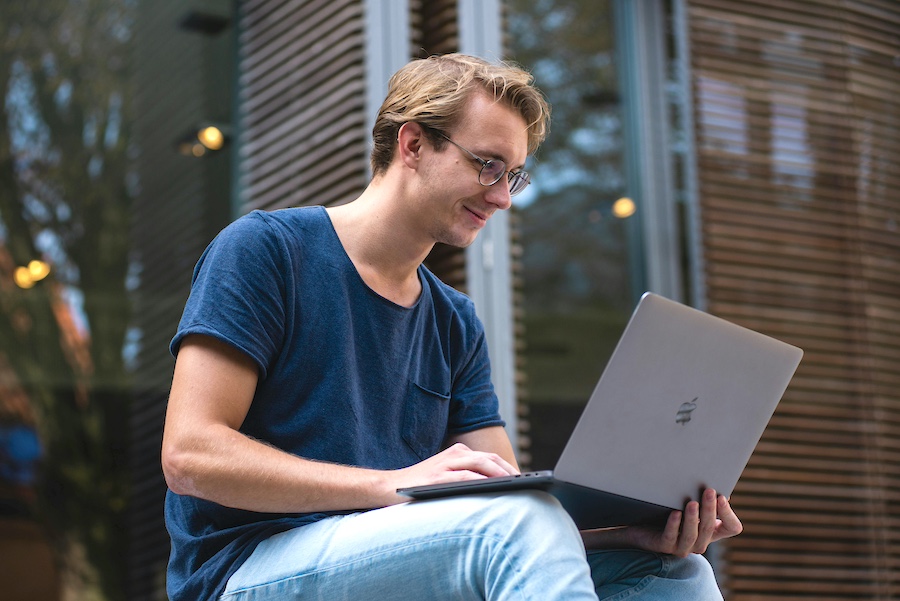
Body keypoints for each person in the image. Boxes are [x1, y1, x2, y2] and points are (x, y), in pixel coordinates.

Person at [161, 53, 742, 601]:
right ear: (412, 144)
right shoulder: (267, 251)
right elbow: (190, 457)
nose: (502, 198)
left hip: (395, 558)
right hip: (247, 569)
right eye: (488, 165)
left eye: (514, 176)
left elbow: (511, 509)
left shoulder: (453, 320)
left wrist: (626, 533)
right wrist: (393, 485)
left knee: (674, 572)